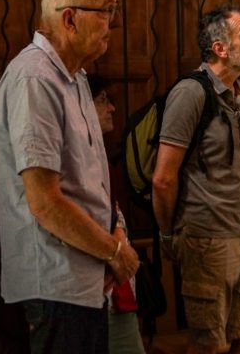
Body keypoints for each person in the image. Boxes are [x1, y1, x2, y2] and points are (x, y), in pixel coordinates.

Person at [0, 0, 140, 354]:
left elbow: (91, 185)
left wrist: (116, 242)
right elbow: (45, 202)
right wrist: (112, 251)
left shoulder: (76, 78)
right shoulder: (34, 79)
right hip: (56, 283)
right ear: (70, 19)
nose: (115, 22)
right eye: (106, 10)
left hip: (86, 280)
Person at [152, 3, 240, 354]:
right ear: (220, 48)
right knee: (210, 343)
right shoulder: (191, 94)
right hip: (206, 236)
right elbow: (163, 178)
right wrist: (168, 232)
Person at [87, 74, 147, 354]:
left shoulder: (100, 155)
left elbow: (112, 213)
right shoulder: (80, 158)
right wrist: (117, 248)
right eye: (102, 101)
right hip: (92, 285)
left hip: (114, 283)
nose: (111, 108)